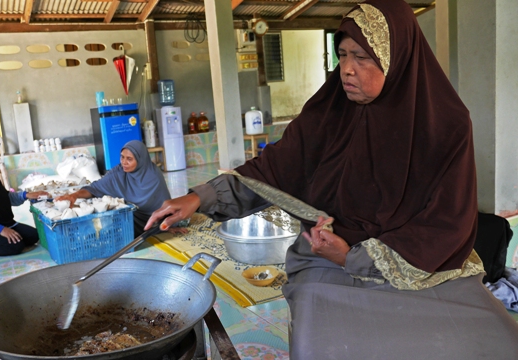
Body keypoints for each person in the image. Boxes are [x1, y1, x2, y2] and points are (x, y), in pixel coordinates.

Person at [145, 0, 518, 358]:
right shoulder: (329, 112)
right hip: (327, 253)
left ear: (398, 59)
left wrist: (356, 258)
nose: (347, 69)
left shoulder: (446, 126)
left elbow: (446, 224)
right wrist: (198, 198)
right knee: (326, 345)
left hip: (422, 264)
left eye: (363, 57)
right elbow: (273, 170)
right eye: (342, 55)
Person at [56, 140, 185, 237]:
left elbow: (165, 204)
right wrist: (75, 195)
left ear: (140, 160)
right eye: (122, 157)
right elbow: (94, 188)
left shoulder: (153, 175)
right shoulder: (118, 173)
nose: (124, 162)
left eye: (129, 159)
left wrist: (169, 224)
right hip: (130, 222)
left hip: (154, 223)